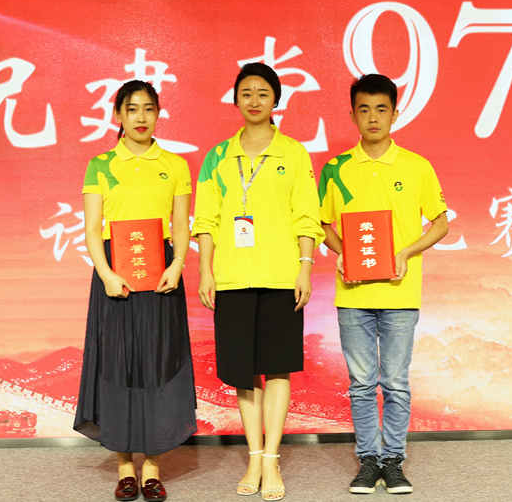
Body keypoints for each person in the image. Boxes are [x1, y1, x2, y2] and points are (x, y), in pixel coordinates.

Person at [192, 62, 324, 502]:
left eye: (263, 93)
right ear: (235, 100)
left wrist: (304, 267)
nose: (254, 100)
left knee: (278, 367)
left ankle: (271, 459)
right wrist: (206, 271)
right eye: (246, 92)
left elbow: (306, 215)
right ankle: (253, 456)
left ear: (276, 101)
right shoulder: (217, 157)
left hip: (280, 274)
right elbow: (206, 220)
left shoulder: (294, 153)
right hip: (232, 277)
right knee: (244, 373)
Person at [318, 74, 449, 495]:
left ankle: (393, 460)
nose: (373, 117)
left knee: (395, 382)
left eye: (381, 109)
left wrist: (406, 253)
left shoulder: (416, 166)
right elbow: (322, 223)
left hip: (400, 293)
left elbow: (441, 223)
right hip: (353, 294)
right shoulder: (336, 168)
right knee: (360, 384)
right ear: (352, 115)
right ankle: (368, 460)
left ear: (395, 114)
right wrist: (343, 252)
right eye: (364, 109)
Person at [74, 80, 197, 502]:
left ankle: (153, 470)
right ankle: (125, 468)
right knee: (118, 365)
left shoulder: (175, 165)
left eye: (148, 108)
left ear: (158, 113)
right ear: (118, 116)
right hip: (115, 277)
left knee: (158, 365)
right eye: (131, 109)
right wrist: (106, 273)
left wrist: (178, 265)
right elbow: (93, 229)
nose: (141, 117)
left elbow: (180, 225)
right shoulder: (100, 164)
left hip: (162, 276)